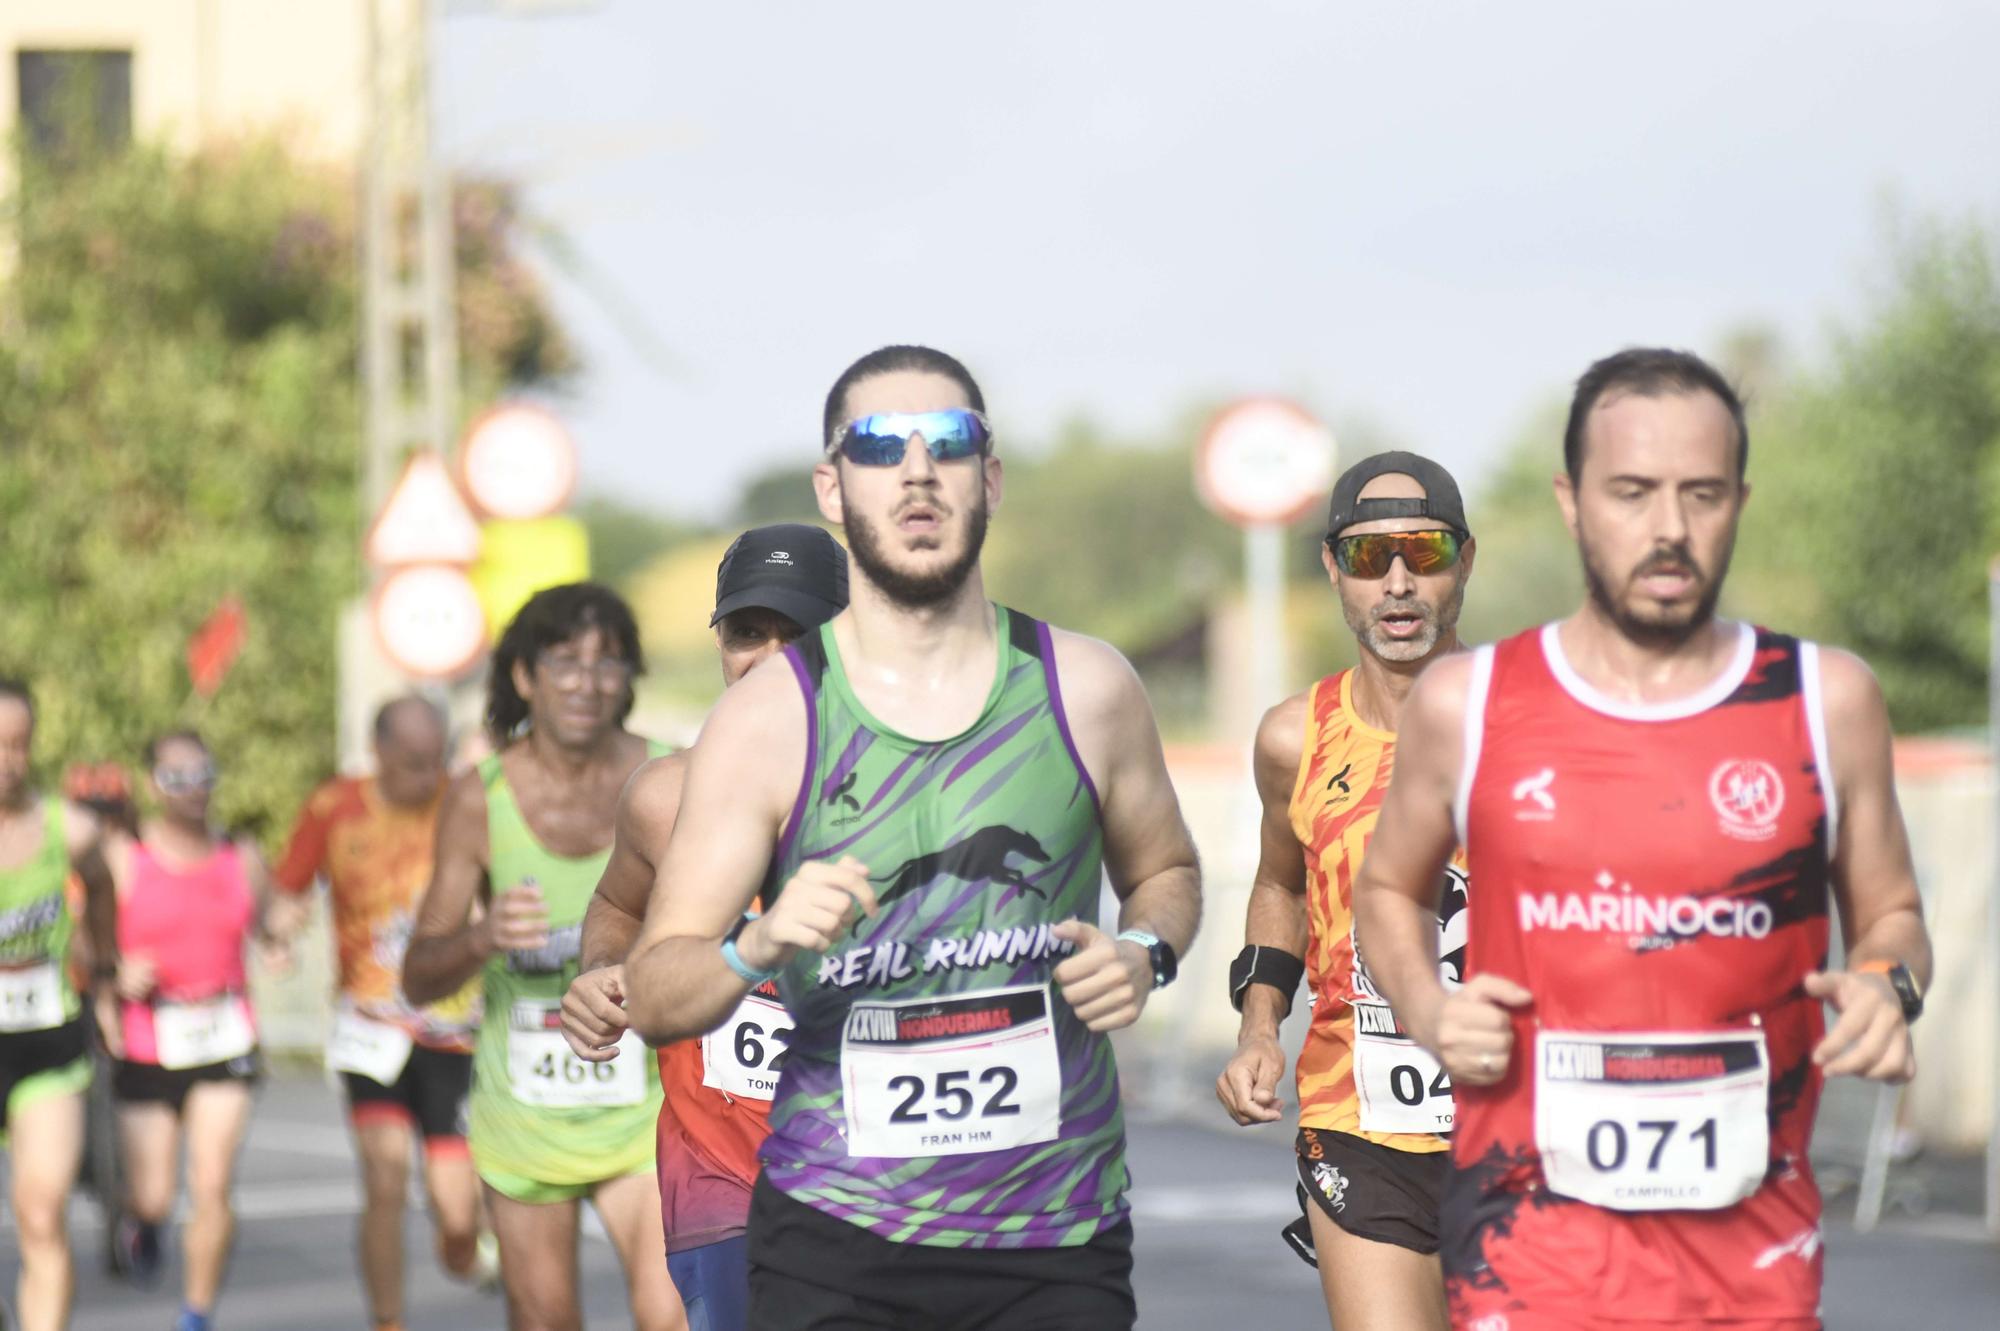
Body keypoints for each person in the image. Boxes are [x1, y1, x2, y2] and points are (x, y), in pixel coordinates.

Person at [623, 345, 1203, 1331]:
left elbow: (1166, 869)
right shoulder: (767, 720)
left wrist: (1146, 948)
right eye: (880, 445)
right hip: (832, 1236)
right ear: (832, 484)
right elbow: (652, 987)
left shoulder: (1088, 687)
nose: (917, 470)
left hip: (1053, 1233)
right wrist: (749, 946)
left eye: (950, 441)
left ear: (991, 476)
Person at [1353, 347, 1932, 1331]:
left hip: (1753, 1260)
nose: (1668, 527)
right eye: (1630, 491)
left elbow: (1892, 914)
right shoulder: (1471, 701)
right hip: (1527, 1245)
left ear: (1737, 500)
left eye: (1699, 493)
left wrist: (1888, 984)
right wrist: (1425, 1003)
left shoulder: (1823, 700)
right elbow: (1384, 891)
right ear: (1571, 501)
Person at [560, 523, 849, 1331]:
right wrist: (600, 972)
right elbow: (617, 906)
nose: (768, 655)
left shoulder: (918, 801)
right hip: (720, 1176)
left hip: (878, 1173)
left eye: (801, 634)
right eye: (747, 632)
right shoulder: (662, 797)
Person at [1216, 453, 1476, 1331]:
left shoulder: (1533, 722)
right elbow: (1280, 886)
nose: (1399, 583)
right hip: (1360, 1116)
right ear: (1334, 569)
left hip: (1521, 1122)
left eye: (1424, 552)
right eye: (1369, 558)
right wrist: (1260, 1030)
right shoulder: (1295, 737)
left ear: (1464, 561)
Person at [403, 584, 684, 1331]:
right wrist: (480, 936)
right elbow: (418, 974)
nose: (587, 682)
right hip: (526, 1119)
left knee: (676, 1315)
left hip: (648, 1112)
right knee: (546, 1320)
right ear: (524, 676)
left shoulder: (671, 779)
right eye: (564, 661)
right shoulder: (478, 798)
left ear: (628, 678)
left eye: (608, 662)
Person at [272, 695, 489, 1331]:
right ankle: (387, 1321)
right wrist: (279, 928)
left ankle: (464, 1243)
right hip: (371, 1029)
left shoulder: (466, 802)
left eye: (437, 760)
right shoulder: (333, 807)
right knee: (385, 1182)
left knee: (457, 1213)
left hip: (455, 1032)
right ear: (379, 753)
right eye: (414, 763)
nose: (429, 776)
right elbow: (287, 890)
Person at [109, 731, 288, 1331]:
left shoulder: (242, 854)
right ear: (152, 786)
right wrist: (114, 971)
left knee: (211, 1183)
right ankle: (143, 1221)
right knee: (154, 1194)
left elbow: (267, 922)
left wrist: (277, 940)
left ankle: (196, 1314)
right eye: (177, 777)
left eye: (203, 773)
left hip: (224, 1034)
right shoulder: (123, 855)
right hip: (147, 1038)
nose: (194, 789)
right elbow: (85, 941)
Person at [0, 679, 118, 1331]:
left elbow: (101, 887)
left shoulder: (67, 829)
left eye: (18, 744)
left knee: (42, 1210)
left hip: (45, 1036)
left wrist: (102, 971)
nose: (8, 760)